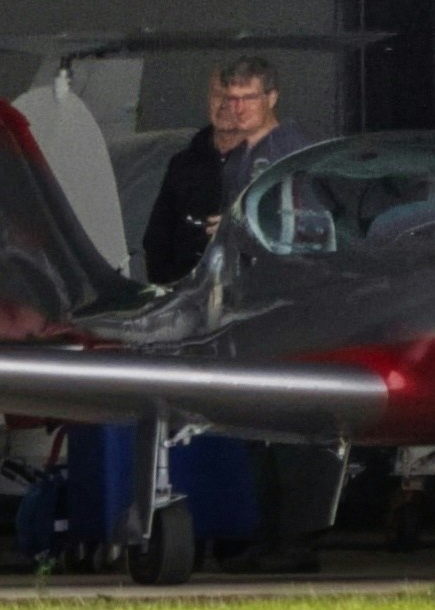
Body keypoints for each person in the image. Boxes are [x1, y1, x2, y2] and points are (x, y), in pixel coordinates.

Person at [140, 58, 341, 569]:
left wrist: (240, 233)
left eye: (246, 98)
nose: (234, 109)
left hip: (288, 311)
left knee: (294, 424)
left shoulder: (295, 158)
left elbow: (316, 235)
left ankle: (296, 540)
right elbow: (162, 240)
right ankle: (265, 535)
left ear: (271, 98)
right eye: (226, 99)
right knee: (250, 428)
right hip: (234, 311)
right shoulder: (213, 160)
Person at [137, 55, 297, 281]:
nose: (224, 106)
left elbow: (297, 236)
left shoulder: (279, 160)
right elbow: (156, 240)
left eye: (234, 98)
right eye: (217, 95)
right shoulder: (183, 164)